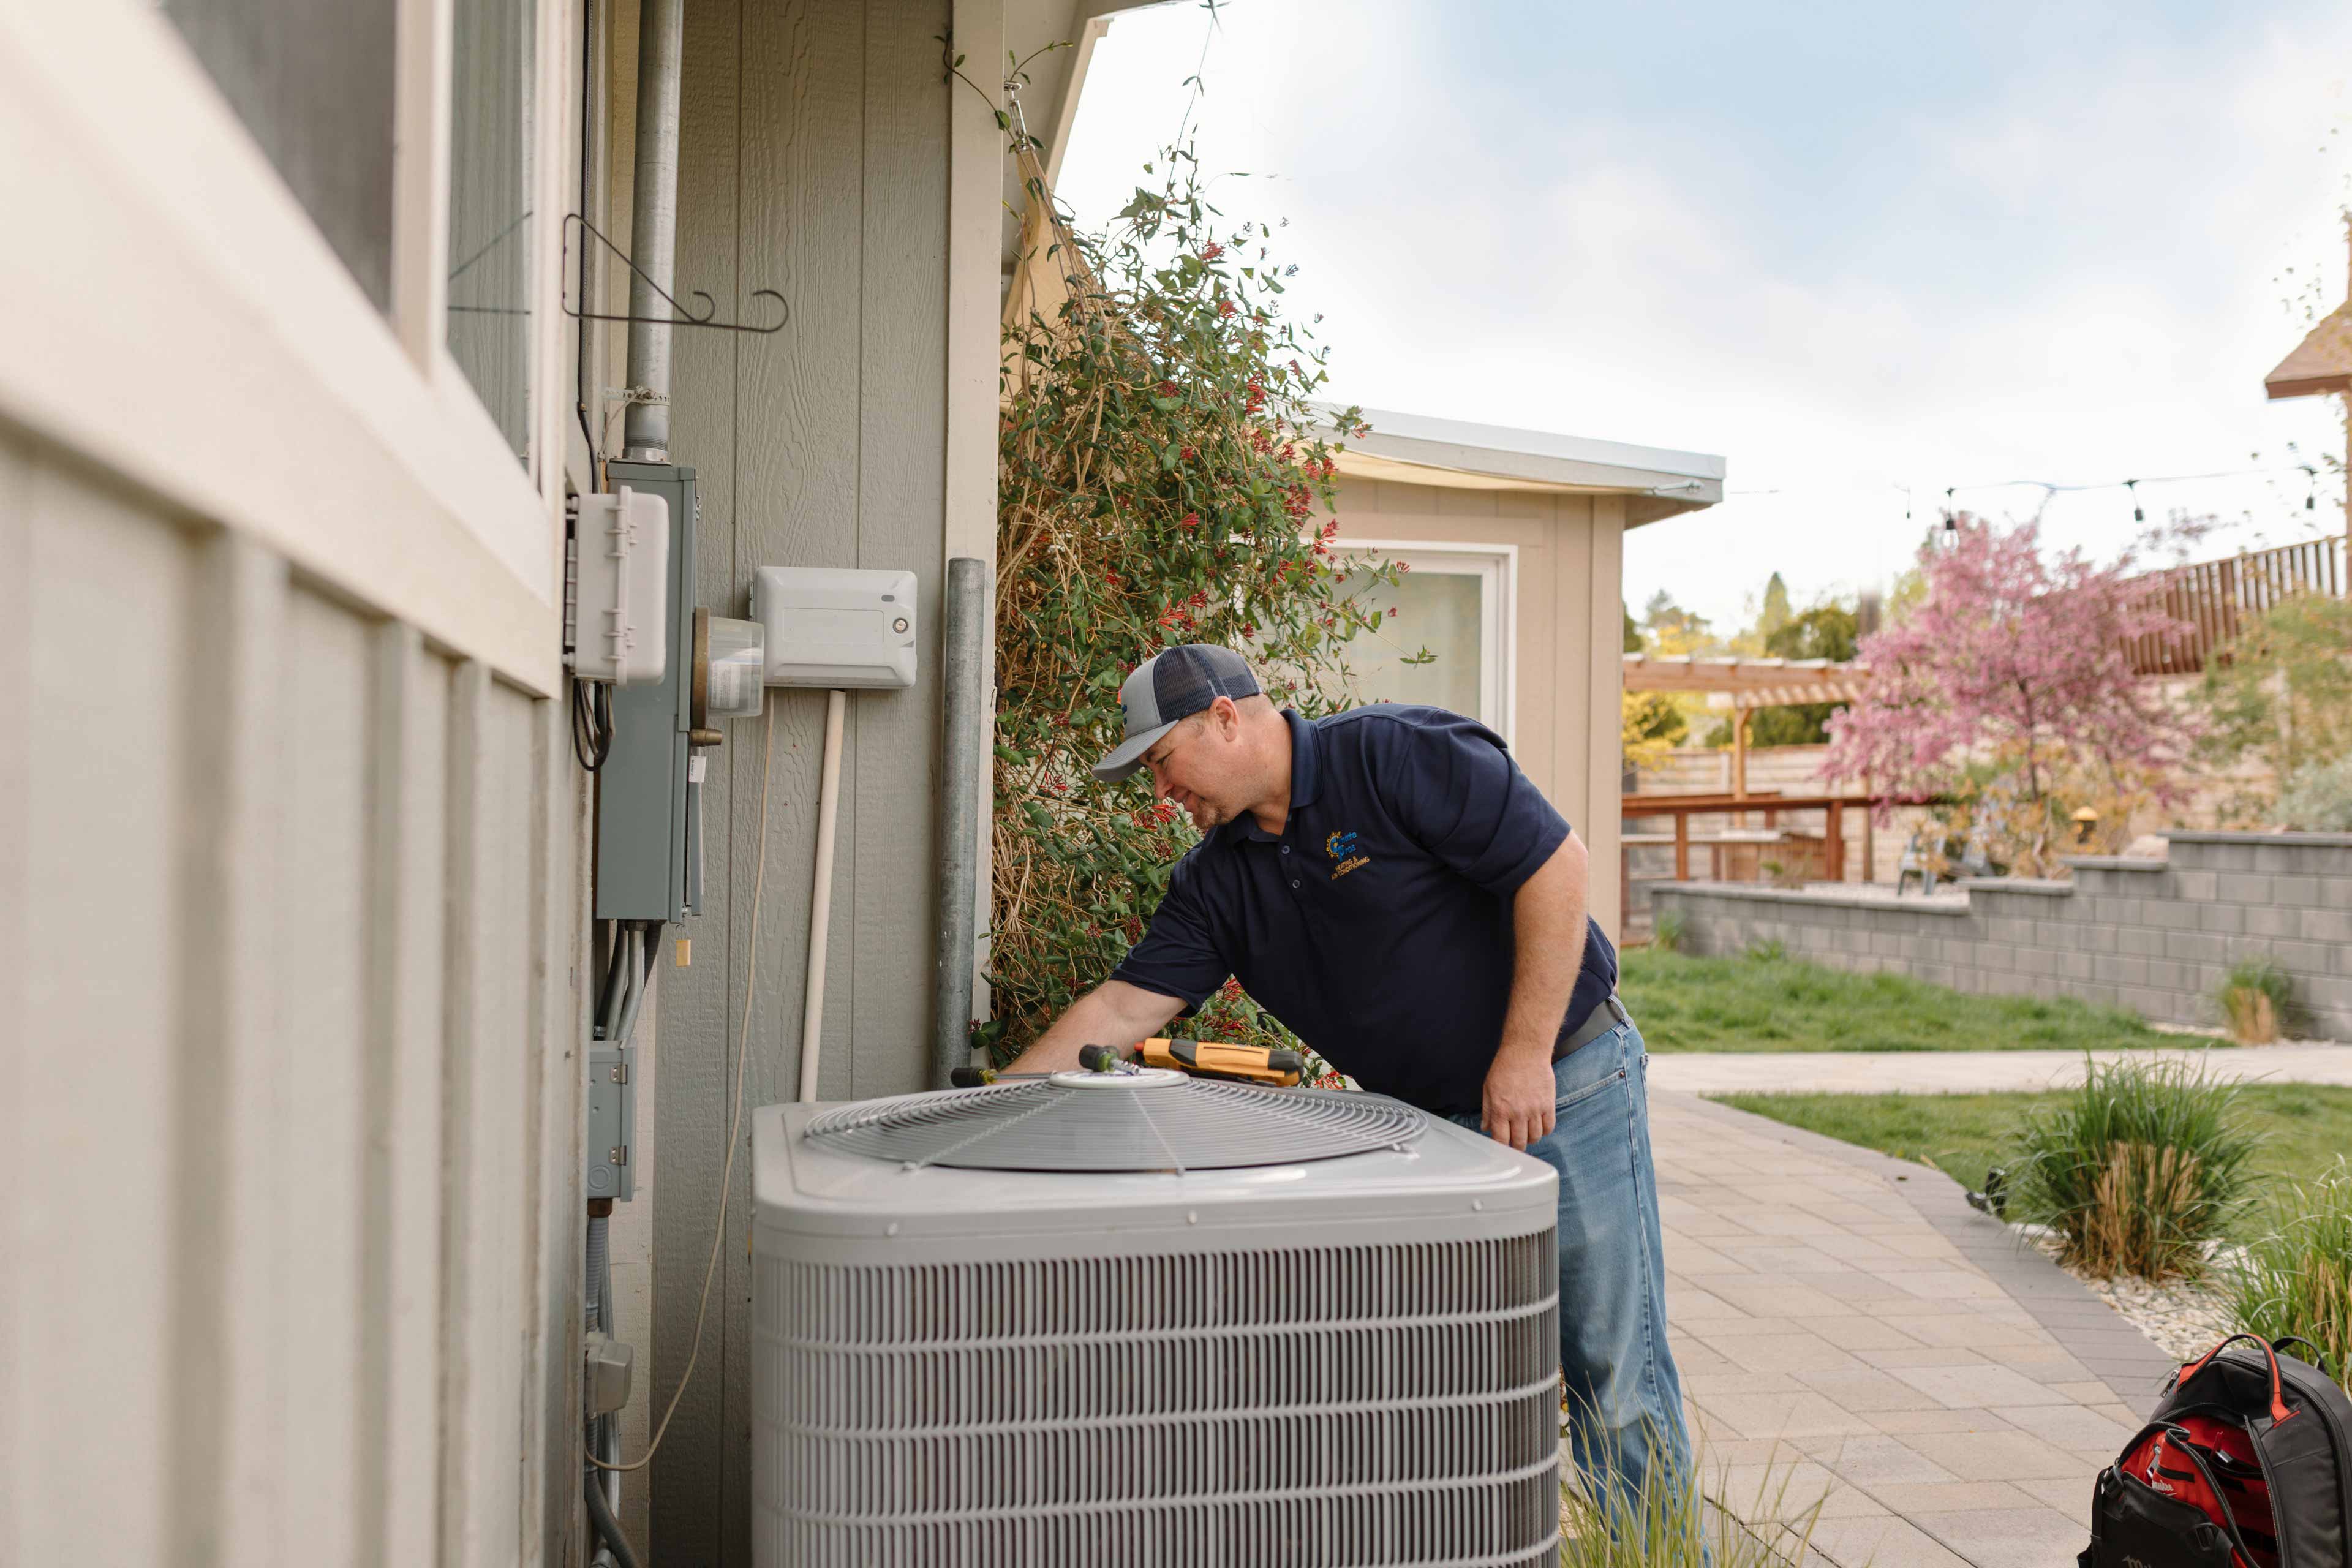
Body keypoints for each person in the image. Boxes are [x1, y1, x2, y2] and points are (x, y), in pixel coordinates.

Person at [1003, 643, 1699, 1518]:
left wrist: (1521, 1057)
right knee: (1458, 1386)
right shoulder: (1218, 881)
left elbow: (1556, 866)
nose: (1161, 794)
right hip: (1433, 1134)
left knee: (1611, 1368)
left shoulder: (1394, 755)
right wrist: (992, 1110)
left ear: (1223, 717)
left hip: (1566, 1084)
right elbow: (1117, 1011)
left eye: (1162, 763)